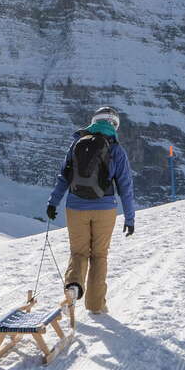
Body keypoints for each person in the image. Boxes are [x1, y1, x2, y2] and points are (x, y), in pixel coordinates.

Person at [45, 105, 135, 315]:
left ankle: (73, 289)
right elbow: (125, 186)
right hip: (105, 209)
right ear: (114, 125)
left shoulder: (77, 143)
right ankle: (96, 306)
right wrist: (129, 218)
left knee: (78, 252)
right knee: (99, 256)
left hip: (75, 206)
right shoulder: (116, 150)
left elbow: (63, 176)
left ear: (94, 121)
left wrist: (53, 202)